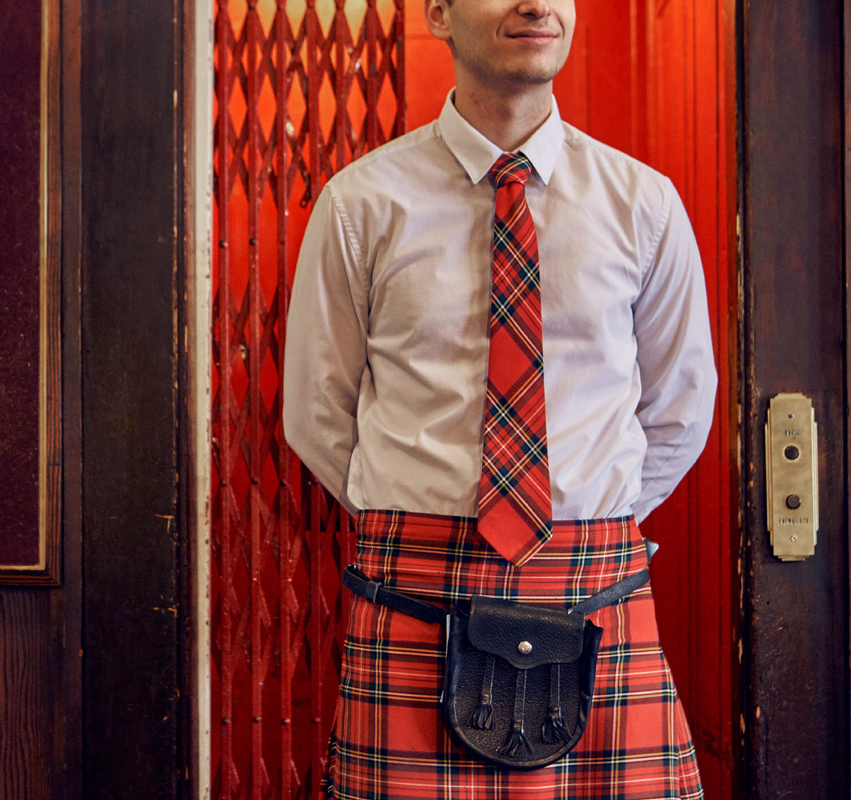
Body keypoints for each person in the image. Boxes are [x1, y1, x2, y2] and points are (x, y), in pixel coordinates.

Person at [281, 0, 717, 797]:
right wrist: (421, 521)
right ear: (438, 15)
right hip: (415, 587)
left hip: (595, 585)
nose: (538, 5)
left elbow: (681, 407)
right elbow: (317, 410)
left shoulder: (643, 204)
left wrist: (584, 521)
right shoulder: (360, 203)